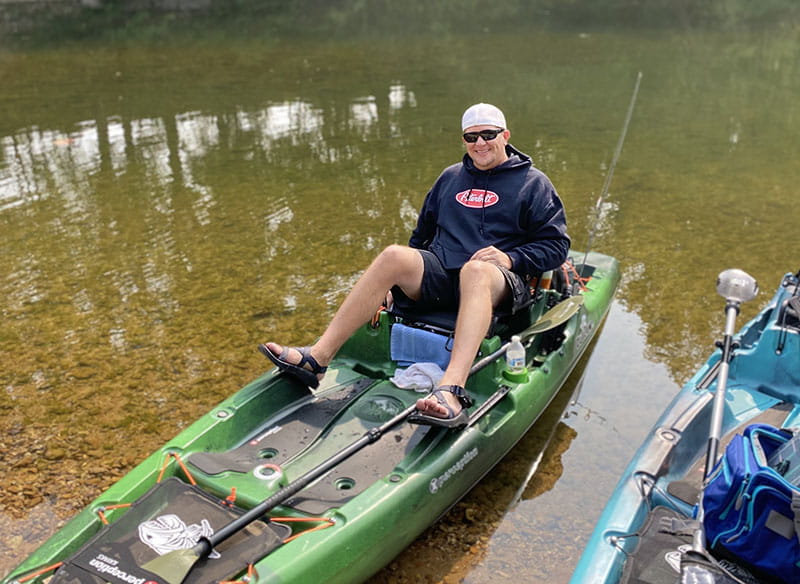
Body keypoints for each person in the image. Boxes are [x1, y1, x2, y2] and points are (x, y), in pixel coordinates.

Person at [259, 103, 570, 428]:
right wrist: (393, 284)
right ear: (463, 140)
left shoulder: (534, 184)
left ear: (505, 136)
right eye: (471, 137)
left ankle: (451, 389)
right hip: (444, 277)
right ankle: (317, 359)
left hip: (498, 283)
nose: (480, 144)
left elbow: (557, 246)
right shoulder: (449, 179)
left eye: (488, 135)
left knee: (475, 272)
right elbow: (420, 239)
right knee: (394, 255)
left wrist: (511, 258)